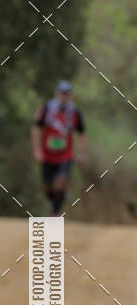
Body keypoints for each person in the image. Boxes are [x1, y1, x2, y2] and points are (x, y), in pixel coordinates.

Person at [32, 80, 86, 215]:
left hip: (65, 155)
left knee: (61, 181)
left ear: (71, 95)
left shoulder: (75, 112)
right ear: (57, 94)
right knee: (47, 187)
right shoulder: (47, 108)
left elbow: (82, 133)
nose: (64, 96)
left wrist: (81, 153)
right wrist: (37, 150)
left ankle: (55, 213)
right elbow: (36, 128)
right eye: (62, 93)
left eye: (67, 93)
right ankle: (54, 202)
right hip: (47, 155)